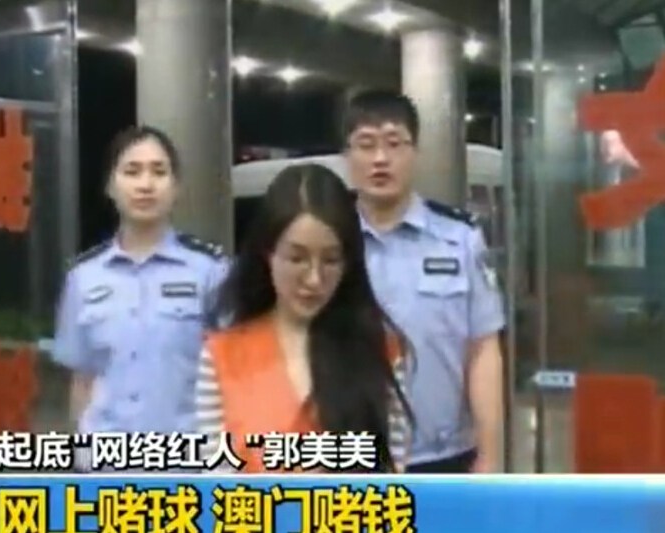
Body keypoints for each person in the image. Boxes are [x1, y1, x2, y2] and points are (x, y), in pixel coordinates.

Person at [195, 163, 414, 473]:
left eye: (331, 260)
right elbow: (217, 474)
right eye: (297, 258)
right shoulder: (221, 356)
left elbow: (392, 473)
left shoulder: (382, 353)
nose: (314, 279)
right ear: (268, 254)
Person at [342, 89, 505, 473]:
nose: (380, 158)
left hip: (446, 456)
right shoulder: (329, 240)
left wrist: (491, 455)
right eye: (366, 145)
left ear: (415, 152)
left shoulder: (459, 238)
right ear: (347, 156)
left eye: (394, 143)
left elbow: (483, 350)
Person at [52, 125, 227, 471]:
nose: (146, 184)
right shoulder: (84, 277)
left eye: (159, 172)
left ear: (176, 186)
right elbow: (82, 381)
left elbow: (232, 376)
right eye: (132, 171)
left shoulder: (210, 271)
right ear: (110, 186)